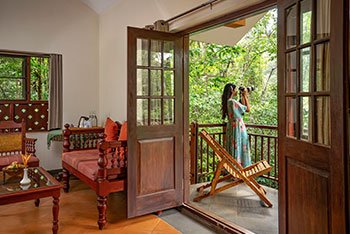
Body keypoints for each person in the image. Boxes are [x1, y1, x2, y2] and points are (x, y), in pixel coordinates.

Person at [221, 83, 251, 167]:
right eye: (235, 89)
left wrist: (243, 96)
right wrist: (245, 95)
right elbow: (247, 109)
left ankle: (235, 169)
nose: (236, 91)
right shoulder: (232, 102)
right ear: (232, 90)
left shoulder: (229, 102)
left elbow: (242, 108)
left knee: (236, 148)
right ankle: (241, 169)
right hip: (238, 129)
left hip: (232, 128)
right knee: (241, 148)